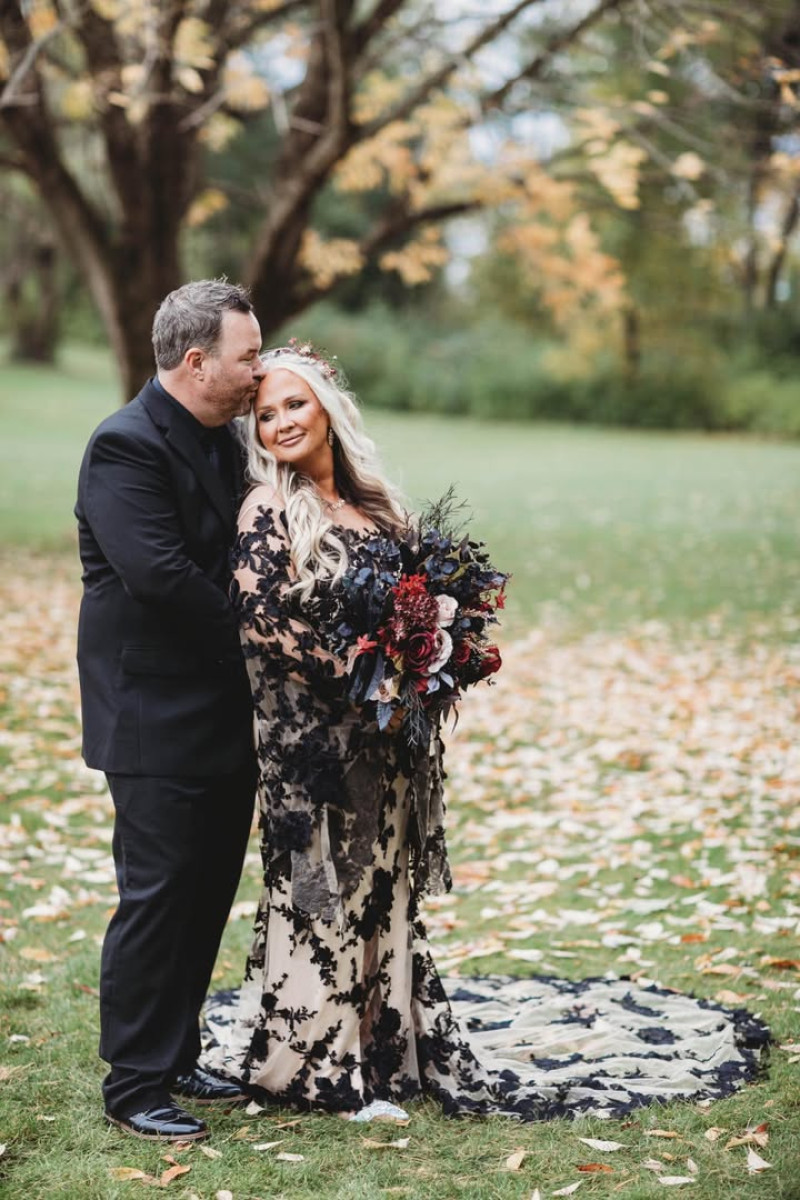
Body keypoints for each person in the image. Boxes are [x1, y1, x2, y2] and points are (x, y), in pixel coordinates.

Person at [201, 341, 770, 1123]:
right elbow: (262, 623)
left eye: (294, 404)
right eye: (266, 416)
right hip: (311, 746)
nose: (281, 423)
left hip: (387, 743)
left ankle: (379, 1053)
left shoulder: (381, 509)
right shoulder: (269, 506)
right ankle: (314, 1072)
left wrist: (434, 659)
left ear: (329, 409)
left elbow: (426, 604)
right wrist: (365, 674)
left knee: (382, 889)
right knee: (321, 890)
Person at [75, 280, 263, 1141]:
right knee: (156, 896)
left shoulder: (228, 438)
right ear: (197, 362)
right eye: (248, 356)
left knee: (206, 891)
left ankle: (177, 1053)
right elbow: (160, 576)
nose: (259, 370)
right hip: (152, 713)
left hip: (223, 708)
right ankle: (134, 1084)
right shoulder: (124, 445)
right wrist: (272, 633)